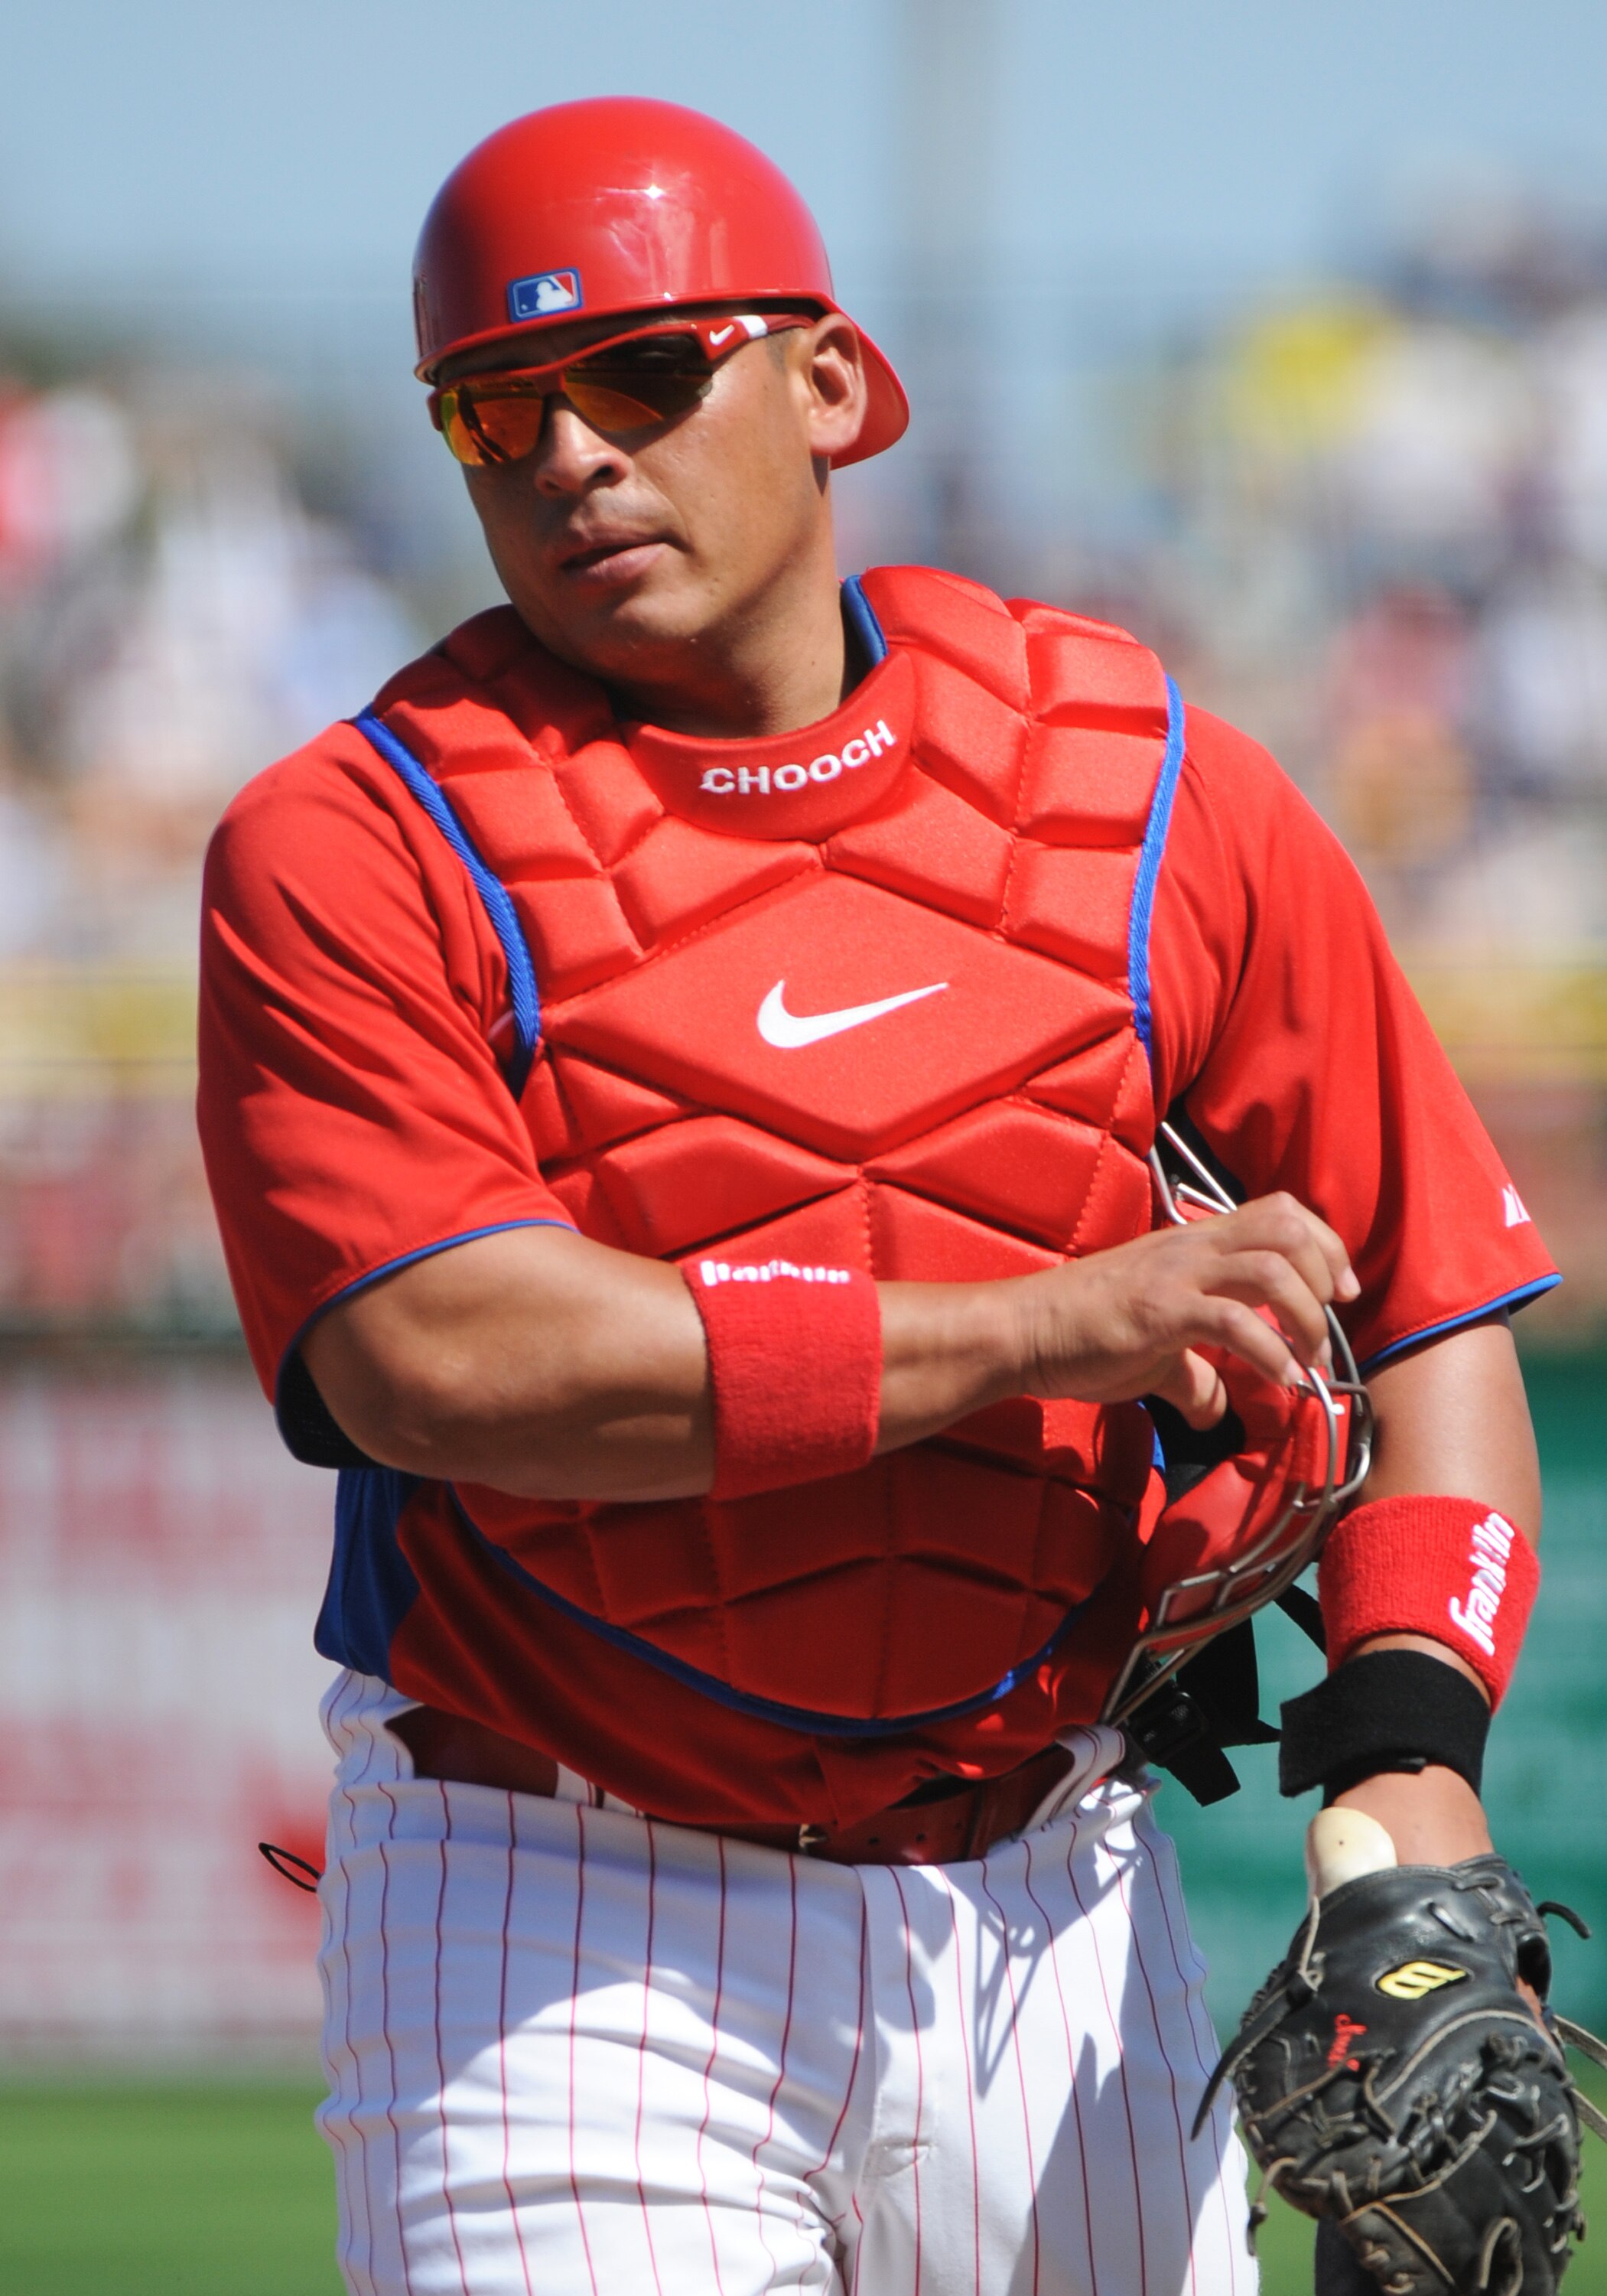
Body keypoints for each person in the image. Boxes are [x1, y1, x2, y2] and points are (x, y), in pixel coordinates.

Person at [197, 98, 1560, 2296]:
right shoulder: (359, 840)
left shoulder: (1135, 785)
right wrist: (1048, 1326)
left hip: (1048, 1888)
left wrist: (1410, 1760)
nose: (569, 455)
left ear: (833, 383)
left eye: (644, 374)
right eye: (495, 407)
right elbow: (441, 1355)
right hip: (562, 1899)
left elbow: (1432, 1309)